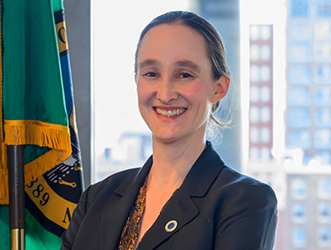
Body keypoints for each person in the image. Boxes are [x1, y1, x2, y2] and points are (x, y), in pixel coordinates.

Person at [60, 10, 277, 250]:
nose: (165, 94)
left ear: (219, 87)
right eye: (151, 74)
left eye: (184, 75)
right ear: (137, 82)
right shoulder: (96, 199)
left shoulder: (245, 202)